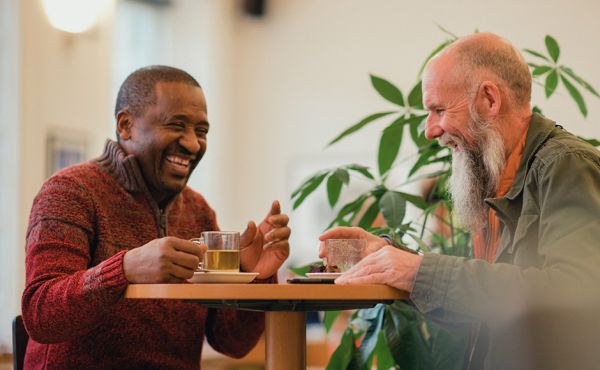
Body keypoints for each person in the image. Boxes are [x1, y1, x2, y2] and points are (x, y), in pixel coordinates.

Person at [320, 33, 600, 369]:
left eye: (438, 110)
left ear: (489, 100)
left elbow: (577, 293)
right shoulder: (497, 178)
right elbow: (486, 313)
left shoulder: (565, 164)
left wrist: (420, 273)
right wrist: (391, 261)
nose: (429, 131)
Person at [21, 65, 291, 369]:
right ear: (126, 126)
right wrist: (124, 269)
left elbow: (231, 343)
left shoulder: (198, 210)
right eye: (177, 125)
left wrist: (253, 275)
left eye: (201, 131)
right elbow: (41, 314)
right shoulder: (70, 192)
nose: (192, 143)